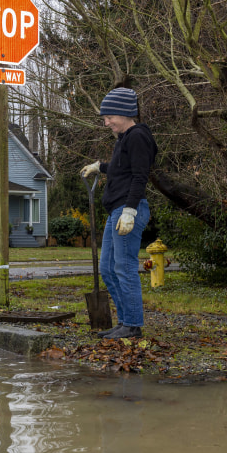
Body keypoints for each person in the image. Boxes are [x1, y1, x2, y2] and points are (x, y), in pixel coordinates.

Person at [80, 87, 157, 339]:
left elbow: (139, 175)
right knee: (108, 269)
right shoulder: (124, 139)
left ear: (124, 112)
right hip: (117, 210)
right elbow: (121, 168)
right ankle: (125, 321)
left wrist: (130, 210)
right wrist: (99, 167)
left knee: (123, 268)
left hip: (127, 210)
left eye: (109, 117)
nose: (106, 122)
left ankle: (133, 326)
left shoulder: (137, 137)